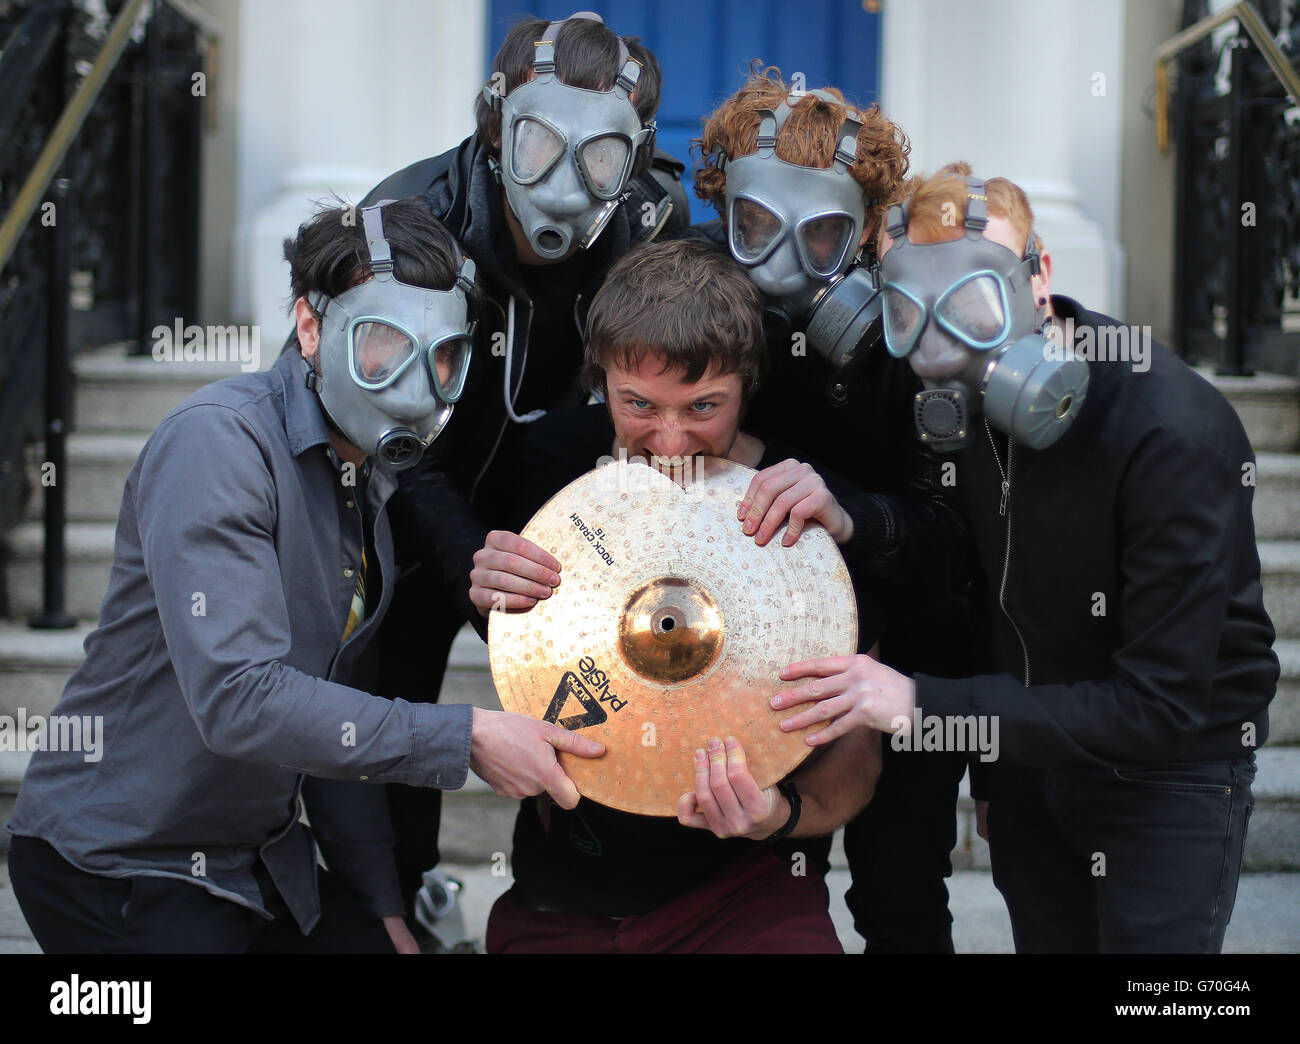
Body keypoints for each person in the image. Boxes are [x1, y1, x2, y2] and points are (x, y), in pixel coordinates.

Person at [5, 199, 603, 954]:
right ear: (312, 329)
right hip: (123, 865)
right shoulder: (219, 445)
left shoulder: (361, 473)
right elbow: (238, 698)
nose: (417, 381)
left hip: (256, 860)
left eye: (443, 354)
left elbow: (334, 710)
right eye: (382, 342)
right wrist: (468, 735)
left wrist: (386, 914)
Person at [775, 163, 1280, 953]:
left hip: (1169, 776)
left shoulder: (1170, 428)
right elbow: (972, 569)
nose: (942, 347)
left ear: (1039, 276)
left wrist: (922, 708)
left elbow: (1161, 706)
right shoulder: (955, 415)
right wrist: (856, 520)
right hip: (1028, 761)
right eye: (908, 311)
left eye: (975, 302)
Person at [351, 11, 688, 918]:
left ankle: (578, 898)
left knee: (603, 683)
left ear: (639, 156)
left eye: (602, 158)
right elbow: (378, 431)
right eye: (538, 145)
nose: (567, 187)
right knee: (397, 671)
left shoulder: (654, 221)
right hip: (410, 483)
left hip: (558, 494)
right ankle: (398, 896)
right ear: (496, 127)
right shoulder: (414, 224)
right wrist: (466, 559)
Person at [469, 239, 883, 953]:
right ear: (600, 381)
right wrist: (475, 583)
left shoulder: (804, 507)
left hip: (746, 896)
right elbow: (517, 650)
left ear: (746, 388)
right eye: (638, 404)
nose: (668, 439)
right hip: (562, 896)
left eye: (703, 406)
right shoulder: (551, 466)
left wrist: (778, 817)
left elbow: (859, 758)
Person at [691, 68, 983, 953]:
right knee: (767, 871)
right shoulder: (693, 303)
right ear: (722, 212)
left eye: (818, 237)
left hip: (908, 642)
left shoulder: (915, 335)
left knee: (899, 886)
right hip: (765, 642)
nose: (777, 265)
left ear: (866, 233)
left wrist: (850, 514)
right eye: (752, 227)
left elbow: (954, 538)